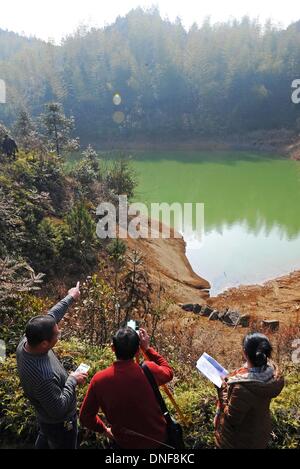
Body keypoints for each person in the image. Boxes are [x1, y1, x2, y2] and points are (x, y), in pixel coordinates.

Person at [16, 282, 87, 449]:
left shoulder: (26, 341)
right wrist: (72, 380)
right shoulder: (43, 376)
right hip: (59, 423)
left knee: (45, 436)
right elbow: (58, 409)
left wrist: (71, 297)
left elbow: (51, 316)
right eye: (57, 335)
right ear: (44, 344)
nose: (59, 335)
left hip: (44, 416)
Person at [80, 327, 174, 449]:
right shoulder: (149, 370)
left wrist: (104, 430)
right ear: (137, 351)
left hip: (125, 444)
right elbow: (168, 372)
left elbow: (85, 417)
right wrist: (147, 348)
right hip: (159, 442)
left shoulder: (99, 380)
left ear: (113, 348)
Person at [214, 332, 284, 449]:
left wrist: (222, 389)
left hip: (239, 440)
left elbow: (232, 418)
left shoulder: (242, 388)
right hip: (259, 431)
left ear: (245, 353)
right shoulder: (271, 373)